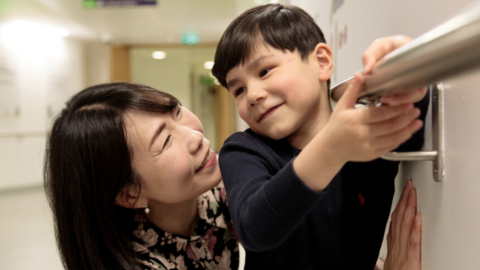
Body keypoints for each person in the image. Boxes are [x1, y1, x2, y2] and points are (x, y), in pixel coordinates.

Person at [211, 4, 428, 270]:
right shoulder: (243, 150)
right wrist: (331, 149)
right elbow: (254, 227)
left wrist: (407, 71)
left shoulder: (365, 139)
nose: (253, 95)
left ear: (321, 62)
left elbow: (408, 125)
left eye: (264, 71)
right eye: (239, 90)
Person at [43, 83, 239, 270]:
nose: (195, 136)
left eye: (177, 113)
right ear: (129, 194)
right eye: (165, 141)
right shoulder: (140, 261)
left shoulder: (224, 187)